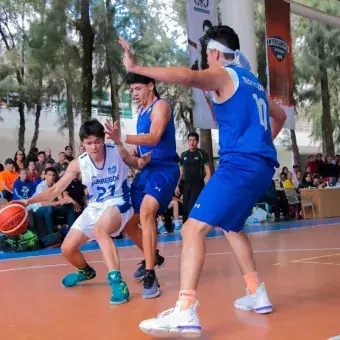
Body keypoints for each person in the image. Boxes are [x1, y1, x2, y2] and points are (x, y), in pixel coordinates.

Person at [117, 25, 286, 337]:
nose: (207, 61)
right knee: (232, 227)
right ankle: (256, 292)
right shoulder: (255, 83)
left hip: (239, 165)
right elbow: (281, 117)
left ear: (216, 54)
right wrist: (261, 148)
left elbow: (189, 77)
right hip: (262, 166)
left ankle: (184, 310)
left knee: (193, 228)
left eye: (208, 55)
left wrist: (136, 68)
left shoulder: (224, 73)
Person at [19, 119, 152, 305]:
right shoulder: (78, 164)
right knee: (67, 249)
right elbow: (54, 191)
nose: (94, 147)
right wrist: (27, 201)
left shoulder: (117, 152)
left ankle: (117, 282)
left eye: (97, 141)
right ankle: (85, 271)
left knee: (100, 231)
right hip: (95, 207)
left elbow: (136, 164)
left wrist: (143, 161)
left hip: (119, 201)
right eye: (89, 143)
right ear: (82, 143)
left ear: (103, 139)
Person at [105, 73, 180, 299]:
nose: (135, 94)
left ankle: (150, 274)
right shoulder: (141, 114)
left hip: (165, 168)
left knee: (147, 211)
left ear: (150, 85)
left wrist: (124, 137)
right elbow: (136, 159)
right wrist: (122, 147)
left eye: (138, 89)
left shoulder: (161, 106)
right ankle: (153, 256)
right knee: (128, 223)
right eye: (132, 90)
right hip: (147, 170)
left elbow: (155, 137)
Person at [177, 132, 211, 223]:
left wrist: (207, 182)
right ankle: (186, 227)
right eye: (190, 140)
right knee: (185, 207)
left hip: (198, 185)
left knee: (192, 206)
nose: (192, 142)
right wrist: (177, 185)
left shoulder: (202, 154)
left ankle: (194, 226)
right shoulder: (183, 155)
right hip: (186, 185)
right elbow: (180, 173)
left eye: (194, 140)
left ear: (197, 141)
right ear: (188, 142)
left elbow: (208, 172)